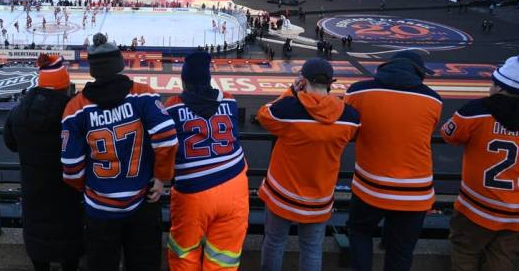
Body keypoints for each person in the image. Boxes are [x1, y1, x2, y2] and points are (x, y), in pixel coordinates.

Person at [61, 33, 178, 271]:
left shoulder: (75, 108)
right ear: (119, 63)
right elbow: (167, 137)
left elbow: (71, 166)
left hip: (100, 206)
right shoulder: (143, 94)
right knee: (143, 264)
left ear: (92, 69)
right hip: (142, 199)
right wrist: (161, 177)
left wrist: (87, 189)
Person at [257, 58, 360, 271]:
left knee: (274, 242)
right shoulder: (350, 117)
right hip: (319, 197)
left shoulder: (288, 110)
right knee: (312, 249)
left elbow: (264, 114)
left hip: (282, 193)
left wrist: (291, 92)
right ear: (331, 82)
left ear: (303, 81)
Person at [344, 51, 443, 271]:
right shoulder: (433, 99)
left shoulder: (358, 91)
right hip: (416, 191)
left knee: (359, 231)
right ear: (418, 73)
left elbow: (350, 129)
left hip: (371, 185)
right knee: (402, 250)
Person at [441, 51, 519, 271]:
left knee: (465, 251)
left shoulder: (477, 111)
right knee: (503, 257)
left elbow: (449, 135)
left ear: (500, 86)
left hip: (477, 204)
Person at [164, 52, 249, 270]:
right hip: (235, 185)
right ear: (208, 78)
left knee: (185, 253)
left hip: (193, 191)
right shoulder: (229, 100)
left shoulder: (172, 106)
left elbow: (163, 144)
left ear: (184, 80)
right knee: (224, 257)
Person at [3, 55, 83, 271]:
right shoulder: (74, 114)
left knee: (39, 249)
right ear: (65, 87)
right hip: (68, 194)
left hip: (34, 192)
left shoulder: (18, 112)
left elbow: (10, 143)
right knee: (70, 249)